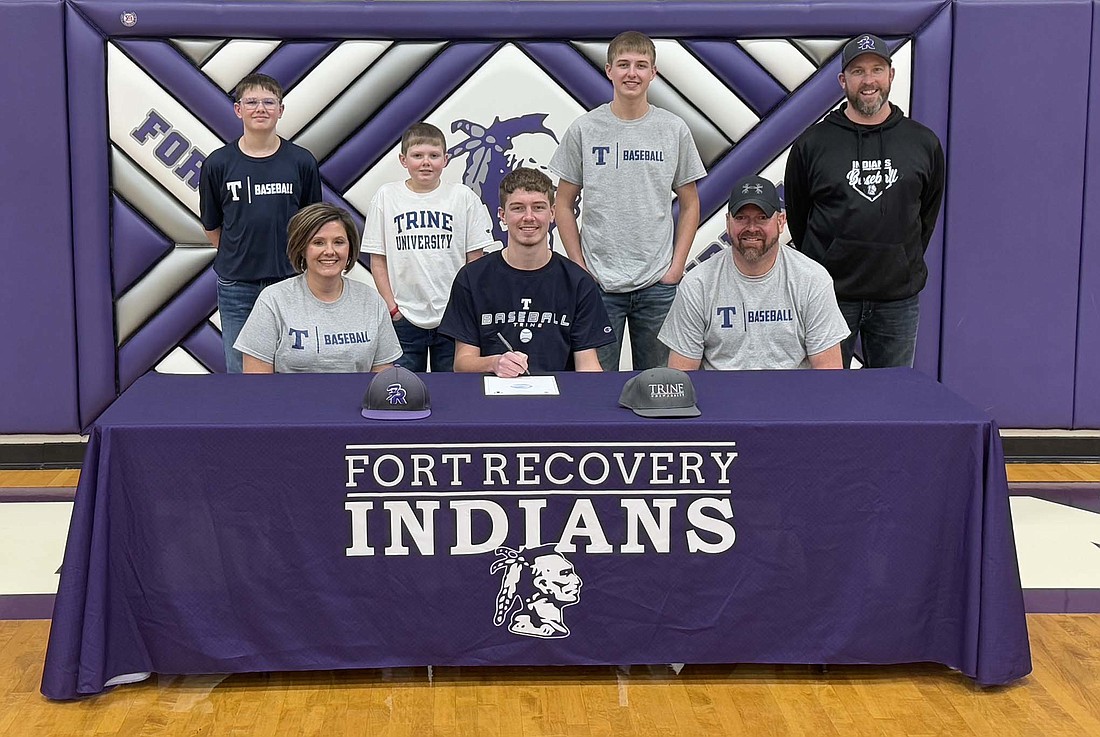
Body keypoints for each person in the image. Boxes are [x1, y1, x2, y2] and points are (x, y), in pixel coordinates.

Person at [783, 33, 945, 368]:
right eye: (857, 71)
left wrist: (899, 256)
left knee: (893, 401)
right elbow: (799, 217)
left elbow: (926, 213)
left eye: (876, 69)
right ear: (843, 80)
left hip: (897, 299)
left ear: (891, 75)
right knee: (826, 400)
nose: (868, 80)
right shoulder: (813, 143)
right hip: (829, 296)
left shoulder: (922, 142)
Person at [549, 30, 706, 372]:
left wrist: (676, 267)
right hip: (599, 284)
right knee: (595, 391)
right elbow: (562, 203)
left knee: (662, 388)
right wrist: (579, 265)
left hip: (657, 285)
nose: (631, 73)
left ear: (654, 73)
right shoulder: (585, 128)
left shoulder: (673, 129)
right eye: (623, 65)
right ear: (608, 71)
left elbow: (691, 202)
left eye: (640, 65)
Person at [199, 73, 323, 373]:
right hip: (236, 285)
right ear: (238, 109)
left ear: (281, 109)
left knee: (293, 366)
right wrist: (241, 254)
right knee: (241, 370)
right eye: (251, 102)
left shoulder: (301, 161)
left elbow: (313, 225)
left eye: (269, 102)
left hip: (290, 281)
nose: (260, 108)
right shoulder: (218, 164)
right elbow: (212, 226)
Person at [659, 176, 848, 370]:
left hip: (793, 397)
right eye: (741, 218)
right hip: (721, 398)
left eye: (762, 218)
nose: (751, 228)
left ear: (781, 222)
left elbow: (829, 373)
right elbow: (682, 376)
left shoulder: (812, 279)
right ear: (728, 222)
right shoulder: (697, 284)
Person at [438, 168, 614, 377]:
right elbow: (462, 362)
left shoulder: (578, 282)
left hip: (559, 402)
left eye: (538, 207)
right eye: (518, 208)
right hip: (491, 399)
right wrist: (495, 363)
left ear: (552, 213)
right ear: (502, 215)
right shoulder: (471, 278)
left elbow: (587, 365)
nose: (528, 217)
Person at [364, 122, 495, 373]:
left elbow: (475, 260)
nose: (426, 162)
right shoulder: (386, 196)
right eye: (417, 156)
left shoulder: (463, 196)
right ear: (403, 160)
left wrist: (465, 307)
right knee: (401, 391)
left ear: (445, 160)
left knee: (453, 393)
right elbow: (377, 259)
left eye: (434, 156)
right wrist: (392, 307)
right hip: (404, 314)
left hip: (452, 315)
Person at [235, 203, 401, 373]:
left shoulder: (372, 301)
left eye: (338, 242)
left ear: (350, 249)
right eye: (318, 242)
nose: (330, 251)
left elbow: (382, 381)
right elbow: (256, 383)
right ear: (301, 248)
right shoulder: (273, 300)